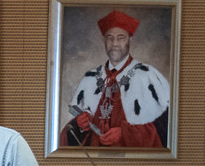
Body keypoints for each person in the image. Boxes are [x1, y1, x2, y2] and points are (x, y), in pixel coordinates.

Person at [59, 9, 171, 149]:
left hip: (133, 160)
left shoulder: (148, 76)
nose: (115, 44)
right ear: (104, 40)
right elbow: (70, 135)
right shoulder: (90, 79)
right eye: (110, 38)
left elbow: (167, 128)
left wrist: (125, 134)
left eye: (121, 38)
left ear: (130, 39)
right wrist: (80, 125)